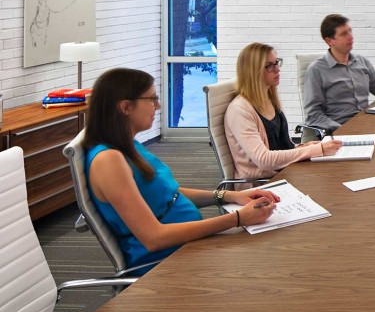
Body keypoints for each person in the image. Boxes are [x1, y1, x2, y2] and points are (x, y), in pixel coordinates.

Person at [84, 68, 279, 273]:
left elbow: (167, 193)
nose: (158, 106)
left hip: (189, 246)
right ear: (125, 107)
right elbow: (153, 238)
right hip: (167, 262)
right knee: (267, 258)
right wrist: (237, 219)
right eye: (152, 99)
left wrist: (229, 195)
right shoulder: (108, 160)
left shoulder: (128, 146)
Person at [225, 42, 342, 180]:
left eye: (276, 63)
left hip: (286, 173)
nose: (277, 69)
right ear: (252, 71)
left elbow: (280, 146)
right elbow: (264, 159)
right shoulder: (239, 110)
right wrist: (316, 150)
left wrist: (302, 147)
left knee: (337, 174)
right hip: (262, 185)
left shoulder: (269, 99)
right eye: (269, 66)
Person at [303, 13, 375, 135]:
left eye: (350, 31)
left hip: (366, 127)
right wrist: (342, 130)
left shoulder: (361, 62)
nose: (350, 37)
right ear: (329, 41)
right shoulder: (316, 71)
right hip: (338, 133)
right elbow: (313, 115)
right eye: (344, 34)